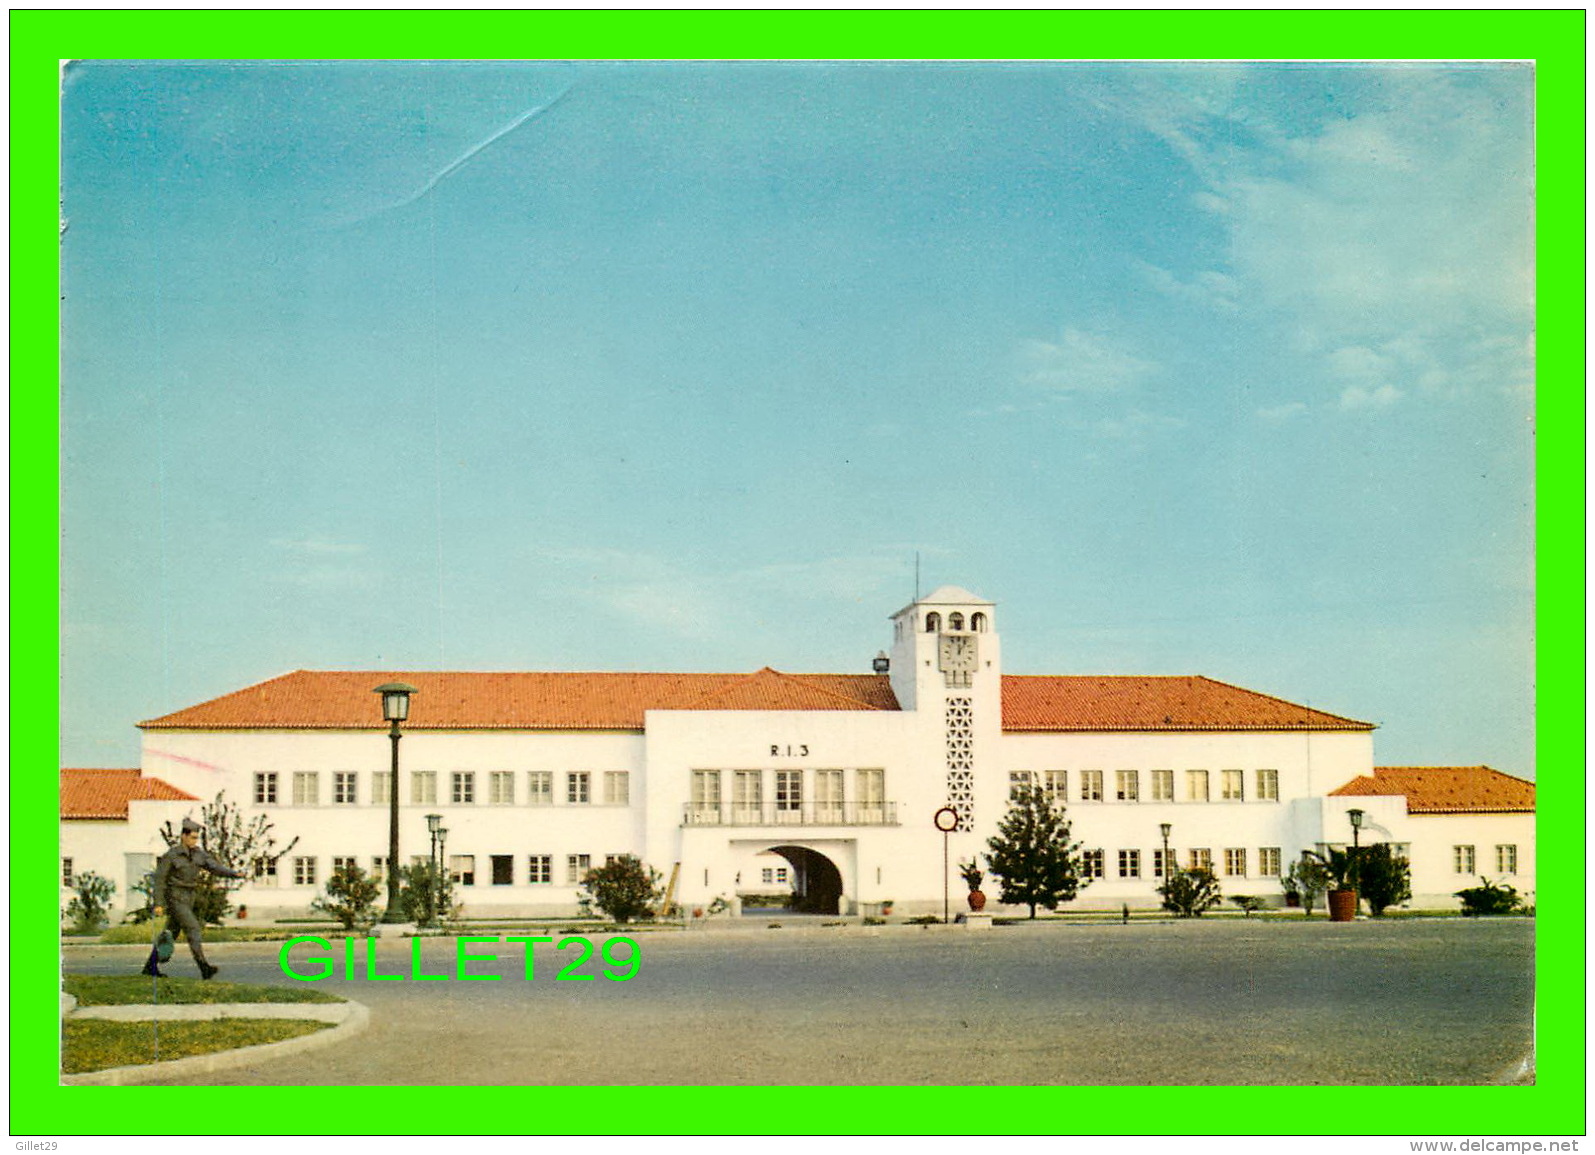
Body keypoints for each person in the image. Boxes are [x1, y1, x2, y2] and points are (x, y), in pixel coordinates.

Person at [142, 817, 244, 980]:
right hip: (175, 896)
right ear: (183, 836)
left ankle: (150, 967)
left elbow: (214, 867)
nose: (195, 841)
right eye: (192, 837)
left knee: (172, 932)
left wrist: (233, 874)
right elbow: (160, 879)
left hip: (189, 896)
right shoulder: (172, 855)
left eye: (196, 838)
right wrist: (159, 903)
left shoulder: (198, 854)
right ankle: (204, 967)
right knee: (193, 928)